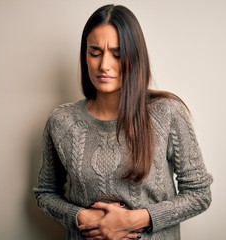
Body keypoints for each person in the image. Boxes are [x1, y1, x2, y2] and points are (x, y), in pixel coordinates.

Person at [34, 4, 213, 240]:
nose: (104, 65)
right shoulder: (61, 121)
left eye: (117, 54)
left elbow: (199, 193)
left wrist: (136, 220)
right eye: (95, 52)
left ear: (134, 57)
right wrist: (80, 217)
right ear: (85, 55)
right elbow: (45, 193)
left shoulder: (168, 113)